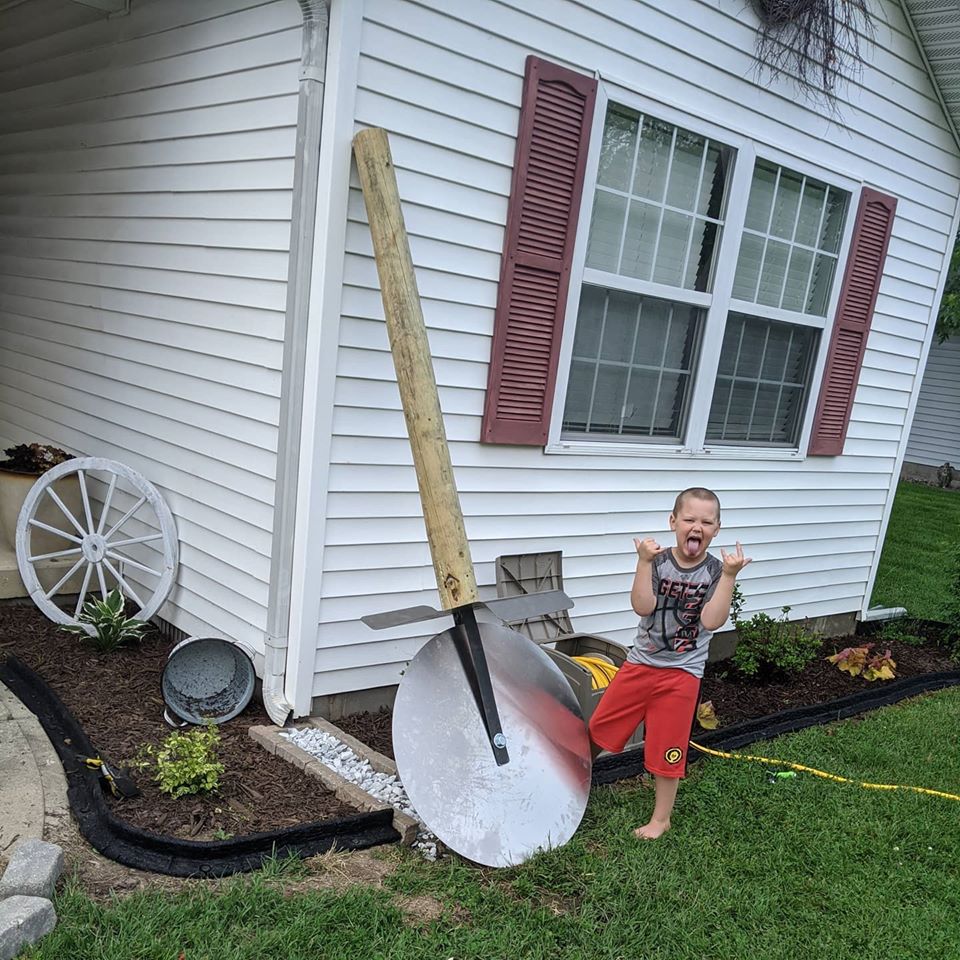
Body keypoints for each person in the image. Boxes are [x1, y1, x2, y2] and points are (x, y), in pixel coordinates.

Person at [587, 486, 751, 839]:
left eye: (706, 521)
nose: (697, 526)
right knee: (599, 726)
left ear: (717, 529)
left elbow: (711, 621)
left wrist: (729, 577)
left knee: (668, 746)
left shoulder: (714, 572)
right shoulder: (658, 563)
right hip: (641, 664)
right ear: (673, 522)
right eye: (689, 519)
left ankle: (661, 819)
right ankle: (572, 778)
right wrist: (643, 562)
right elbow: (643, 606)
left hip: (682, 674)